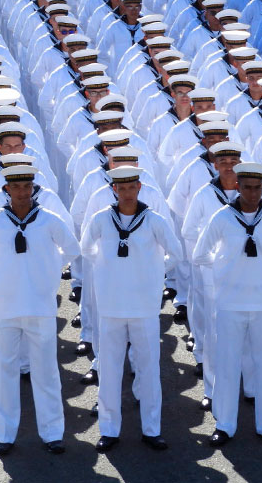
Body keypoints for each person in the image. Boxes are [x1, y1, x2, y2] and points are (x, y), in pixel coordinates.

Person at [0, 165, 80, 456]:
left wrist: (49, 271)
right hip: (5, 306)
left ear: (33, 188)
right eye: (16, 187)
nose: (22, 192)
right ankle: (5, 435)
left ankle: (53, 433)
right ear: (6, 190)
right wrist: (2, 269)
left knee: (46, 371)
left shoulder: (48, 220)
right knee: (5, 371)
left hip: (40, 306)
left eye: (26, 187)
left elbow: (71, 248)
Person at [193, 162, 262, 447]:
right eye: (247, 187)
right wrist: (225, 272)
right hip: (231, 302)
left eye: (258, 188)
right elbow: (200, 254)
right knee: (227, 365)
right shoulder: (223, 217)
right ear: (237, 187)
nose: (252, 193)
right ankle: (224, 425)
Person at [80, 167, 183, 452]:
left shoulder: (154, 221)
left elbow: (176, 254)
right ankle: (109, 429)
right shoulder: (101, 219)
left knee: (149, 371)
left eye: (131, 187)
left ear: (139, 188)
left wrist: (153, 275)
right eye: (121, 188)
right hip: (111, 306)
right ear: (114, 190)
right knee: (109, 370)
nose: (127, 193)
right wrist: (106, 271)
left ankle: (152, 429)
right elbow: (86, 248)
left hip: (144, 307)